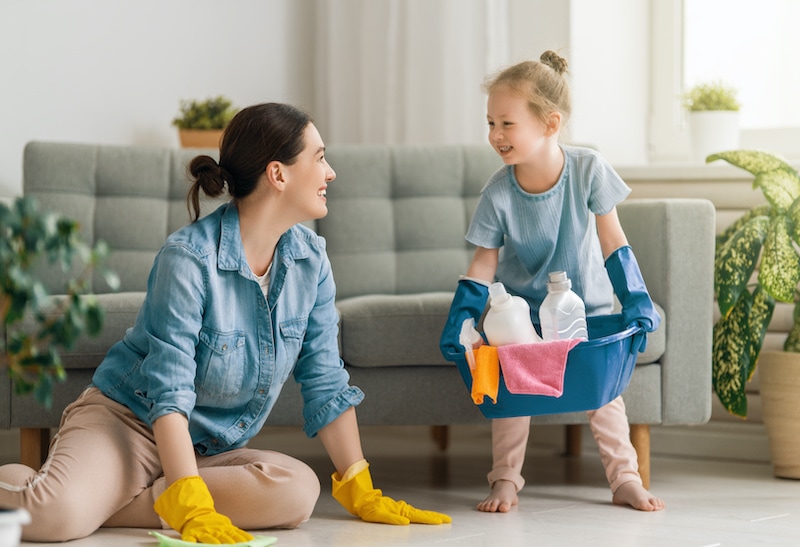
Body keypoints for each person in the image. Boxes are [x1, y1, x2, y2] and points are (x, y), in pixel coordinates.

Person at [0, 102, 451, 543]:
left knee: (297, 491)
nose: (330, 172)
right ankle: (79, 497)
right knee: (55, 519)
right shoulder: (189, 259)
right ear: (278, 174)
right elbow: (169, 391)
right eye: (319, 158)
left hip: (205, 451)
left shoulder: (312, 261)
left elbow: (325, 381)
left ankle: (105, 499)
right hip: (129, 424)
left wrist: (360, 487)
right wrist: (191, 503)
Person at [442, 52, 665, 514]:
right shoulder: (498, 193)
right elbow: (484, 263)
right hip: (521, 315)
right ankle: (505, 480)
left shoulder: (588, 170)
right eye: (490, 123)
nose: (495, 136)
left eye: (506, 123)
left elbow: (613, 241)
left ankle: (625, 478)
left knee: (605, 395)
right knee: (510, 390)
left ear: (550, 123)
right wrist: (462, 317)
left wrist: (635, 299)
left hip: (592, 307)